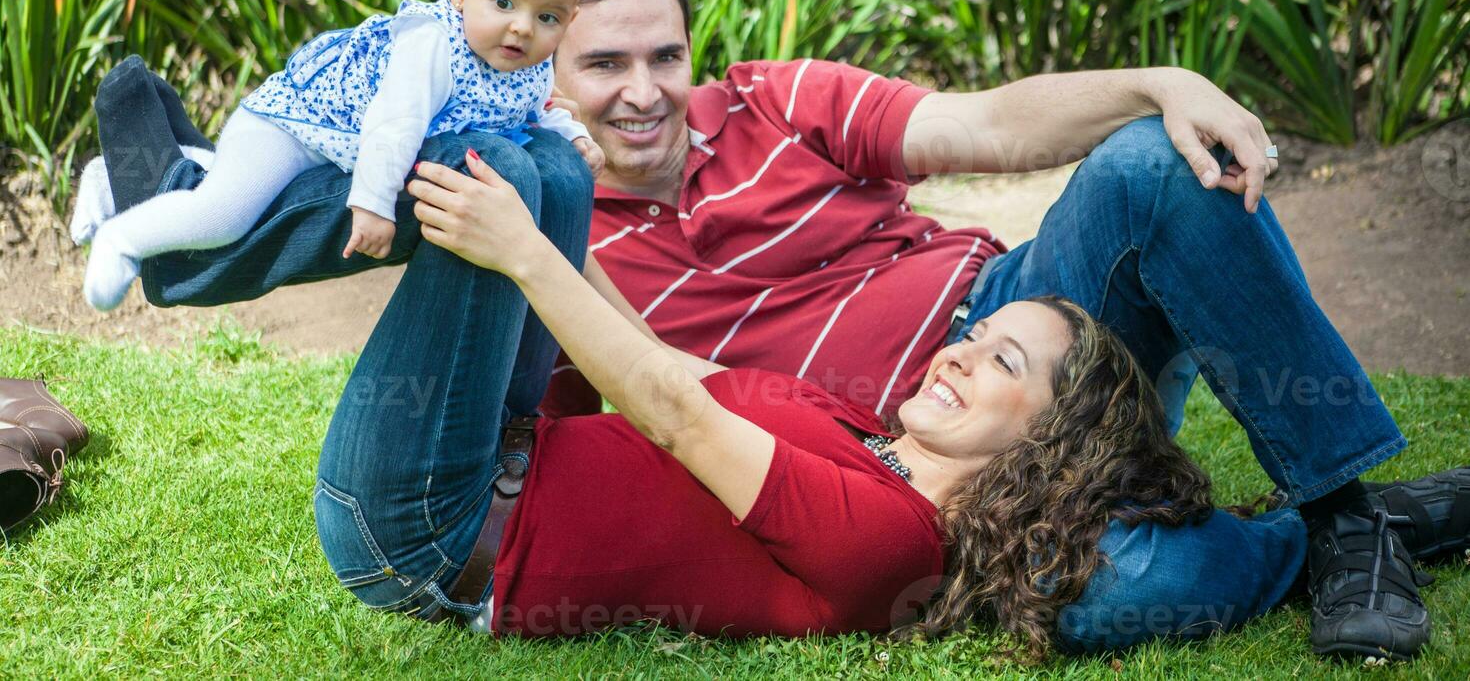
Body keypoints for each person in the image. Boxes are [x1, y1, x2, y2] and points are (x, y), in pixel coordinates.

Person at [80, 0, 1469, 661]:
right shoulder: (564, 221)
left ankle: (1345, 513)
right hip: (886, 453)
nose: (640, 91)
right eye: (599, 62)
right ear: (544, 66)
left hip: (1025, 337)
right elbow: (638, 408)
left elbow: (985, 125)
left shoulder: (774, 104)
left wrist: (1159, 84)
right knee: (1094, 594)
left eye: (663, 55)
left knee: (1140, 166)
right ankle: (182, 209)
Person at [323, 142, 1222, 657]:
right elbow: (653, 359)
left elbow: (673, 415)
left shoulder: (892, 539)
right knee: (555, 170)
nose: (959, 353)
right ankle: (203, 188)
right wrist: (559, 237)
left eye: (1003, 362)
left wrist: (524, 251)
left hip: (426, 526)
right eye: (975, 335)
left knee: (493, 178)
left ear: (1050, 440)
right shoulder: (856, 429)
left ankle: (196, 209)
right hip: (494, 442)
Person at [76, 0, 603, 311]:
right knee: (227, 215)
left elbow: (534, 106)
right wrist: (372, 204)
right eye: (504, 3)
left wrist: (574, 134)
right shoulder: (434, 47)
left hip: (340, 144)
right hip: (295, 126)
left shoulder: (528, 60)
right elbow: (393, 127)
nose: (522, 27)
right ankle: (121, 238)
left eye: (548, 17)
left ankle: (130, 172)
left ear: (569, 20)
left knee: (255, 192)